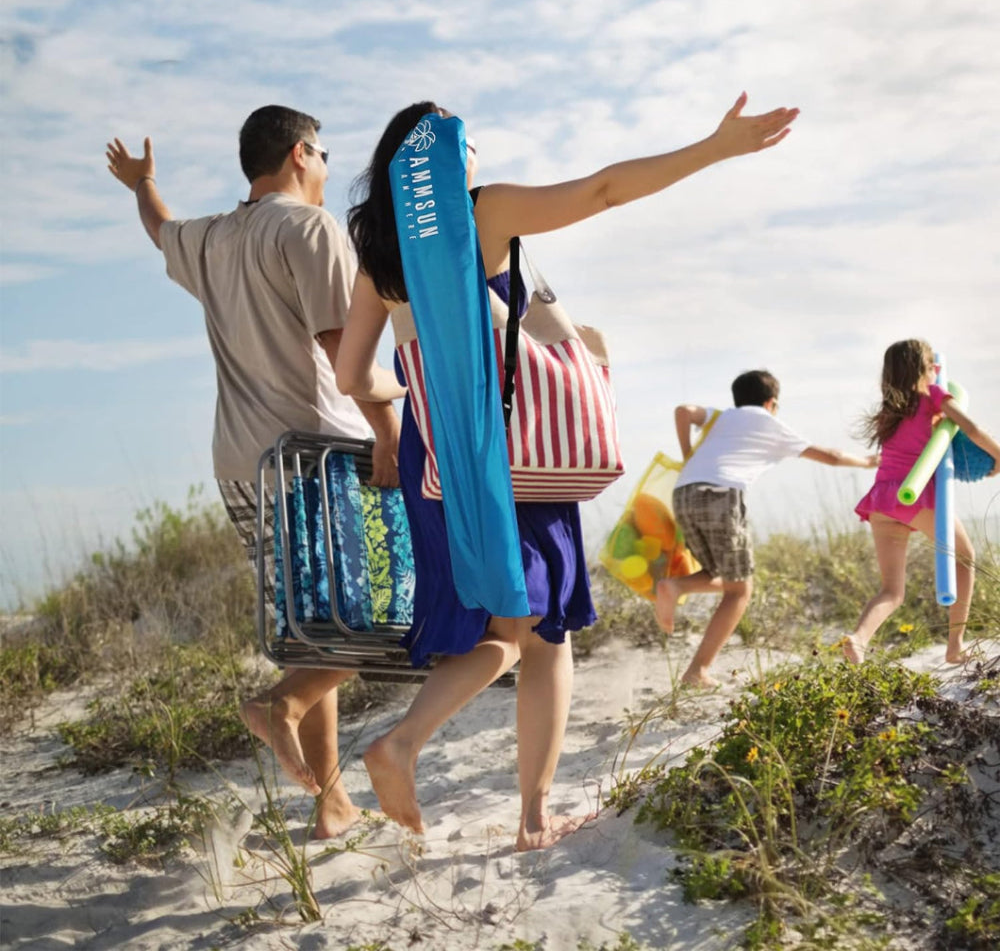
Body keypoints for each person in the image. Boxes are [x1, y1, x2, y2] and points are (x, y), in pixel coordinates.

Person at [336, 93, 799, 849]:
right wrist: (713, 149)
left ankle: (410, 747)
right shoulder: (479, 213)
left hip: (438, 459)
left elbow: (355, 374)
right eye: (469, 139)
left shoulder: (382, 253)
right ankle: (523, 813)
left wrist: (421, 387)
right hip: (511, 453)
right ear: (449, 158)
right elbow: (603, 190)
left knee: (501, 632)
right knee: (544, 634)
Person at [105, 105, 405, 838]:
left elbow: (158, 229)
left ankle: (330, 802)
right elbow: (349, 357)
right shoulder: (308, 229)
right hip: (319, 455)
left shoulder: (208, 237)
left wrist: (143, 185)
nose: (330, 169)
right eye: (326, 154)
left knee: (317, 630)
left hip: (244, 466)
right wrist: (393, 438)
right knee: (393, 612)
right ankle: (283, 705)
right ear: (301, 154)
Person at [655, 369, 877, 687]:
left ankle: (678, 589)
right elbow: (832, 456)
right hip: (722, 495)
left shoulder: (722, 417)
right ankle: (696, 668)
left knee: (722, 574)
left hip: (684, 493)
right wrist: (868, 462)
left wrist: (688, 453)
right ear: (771, 403)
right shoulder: (769, 423)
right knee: (740, 590)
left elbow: (684, 411)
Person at [844, 339, 1000, 665]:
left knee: (892, 592)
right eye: (932, 366)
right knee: (966, 558)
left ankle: (858, 639)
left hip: (882, 502)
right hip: (912, 495)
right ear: (925, 369)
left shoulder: (889, 410)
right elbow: (971, 428)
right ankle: (955, 645)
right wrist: (998, 457)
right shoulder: (932, 397)